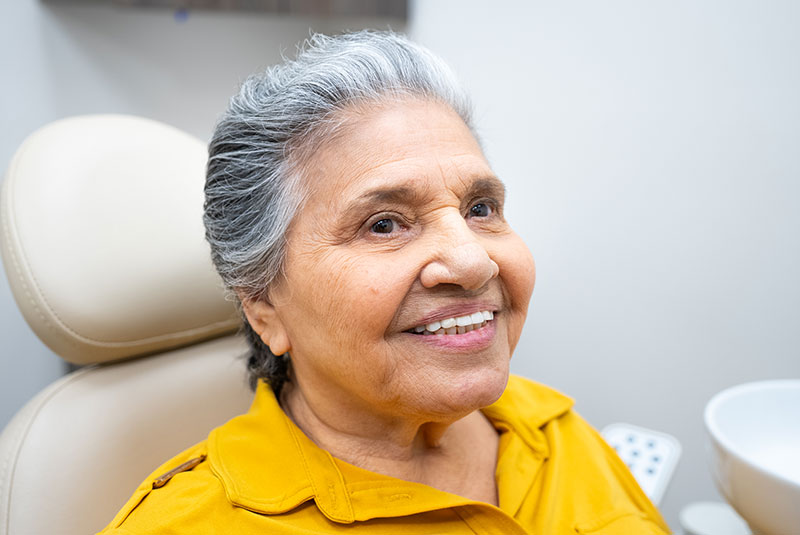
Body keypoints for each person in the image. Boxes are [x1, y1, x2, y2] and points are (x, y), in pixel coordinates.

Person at [99, 31, 669, 534]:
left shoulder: (550, 428)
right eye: (385, 224)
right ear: (265, 309)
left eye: (479, 208)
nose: (474, 262)